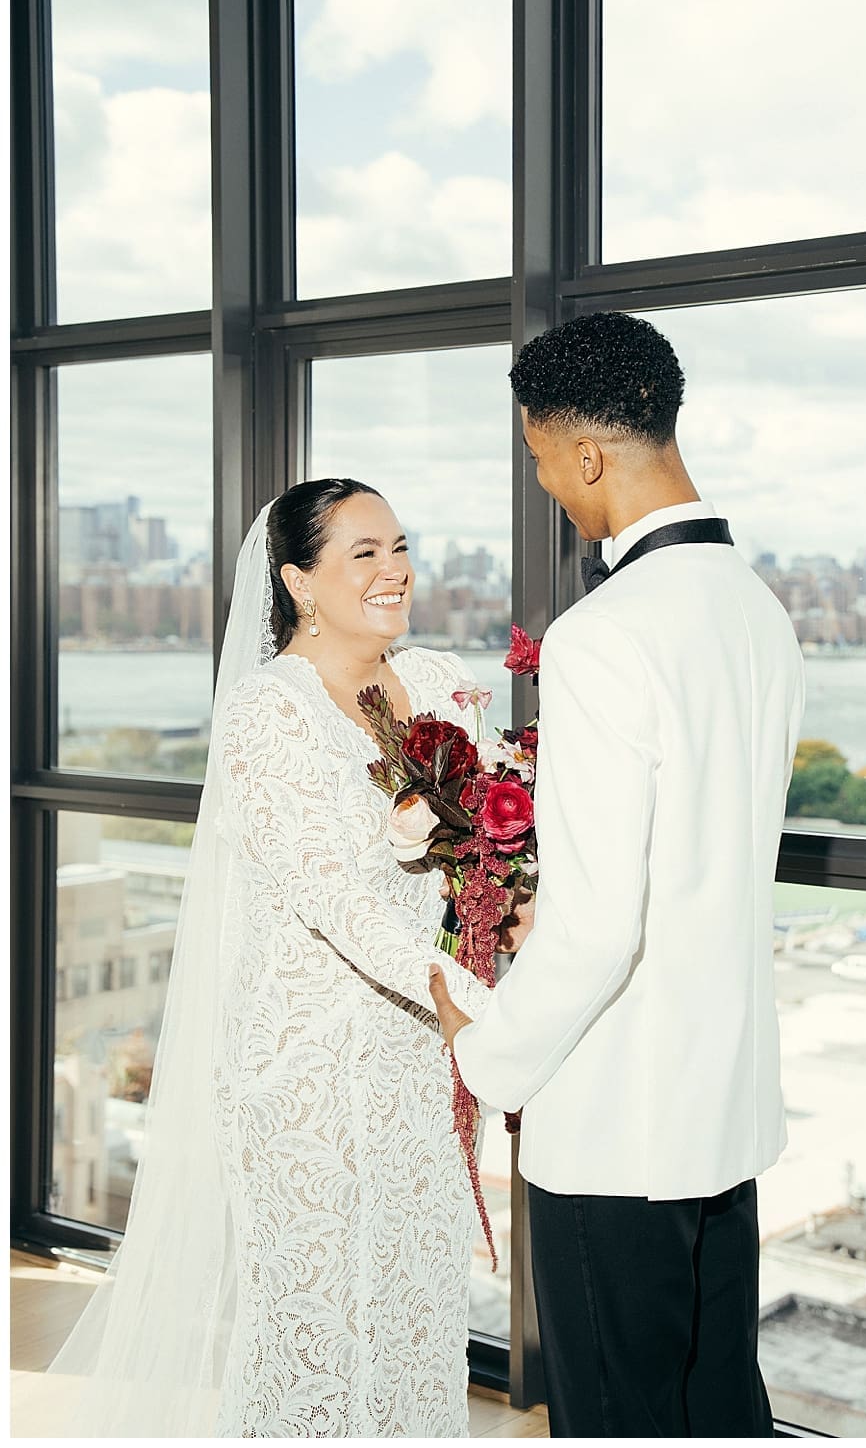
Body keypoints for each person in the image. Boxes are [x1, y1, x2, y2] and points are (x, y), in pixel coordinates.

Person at [48, 479, 498, 1435]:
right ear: (298, 580)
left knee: (418, 1312)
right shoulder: (268, 713)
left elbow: (501, 840)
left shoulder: (445, 681)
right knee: (317, 1323)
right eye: (364, 553)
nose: (396, 571)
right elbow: (330, 893)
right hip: (303, 1069)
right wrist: (464, 992)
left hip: (422, 1064)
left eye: (401, 546)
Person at [430, 310, 805, 1437]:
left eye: (543, 461)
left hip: (616, 1128)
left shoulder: (606, 633)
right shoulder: (760, 612)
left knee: (617, 1420)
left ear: (586, 454)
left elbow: (596, 927)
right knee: (717, 1410)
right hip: (721, 1115)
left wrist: (480, 1042)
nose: (550, 487)